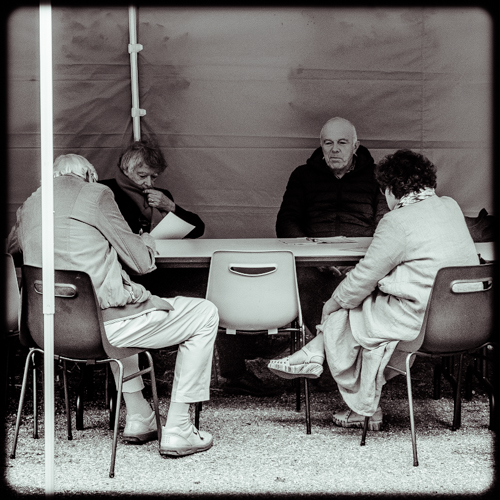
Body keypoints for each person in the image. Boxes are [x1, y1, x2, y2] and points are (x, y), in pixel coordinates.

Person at [7, 154, 219, 457]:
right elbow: (143, 264)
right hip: (102, 328)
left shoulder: (30, 204)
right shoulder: (97, 194)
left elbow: (11, 247)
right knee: (204, 312)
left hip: (45, 330)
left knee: (119, 322)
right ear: (89, 177)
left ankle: (139, 416)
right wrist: (146, 241)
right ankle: (179, 429)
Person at [268, 149, 480, 430]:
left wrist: (331, 303)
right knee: (365, 303)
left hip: (425, 323)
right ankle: (316, 356)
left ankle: (356, 399)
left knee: (352, 308)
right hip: (469, 319)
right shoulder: (450, 206)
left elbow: (365, 276)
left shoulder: (397, 222)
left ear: (390, 189)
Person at [217, 117, 388, 395]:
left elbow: (385, 223)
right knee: (307, 288)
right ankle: (330, 363)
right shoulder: (303, 175)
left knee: (359, 292)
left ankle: (329, 362)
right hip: (312, 263)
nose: (334, 149)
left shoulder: (376, 176)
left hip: (362, 262)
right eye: (327, 143)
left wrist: (362, 260)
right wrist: (314, 256)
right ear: (320, 146)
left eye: (342, 143)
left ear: (355, 146)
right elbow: (286, 222)